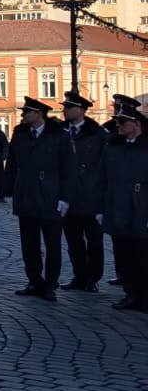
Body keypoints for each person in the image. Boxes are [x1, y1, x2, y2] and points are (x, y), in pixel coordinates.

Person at [5, 96, 71, 301]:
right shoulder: (21, 133)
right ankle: (34, 280)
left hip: (50, 194)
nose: (24, 115)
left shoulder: (58, 134)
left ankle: (51, 283)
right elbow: (12, 164)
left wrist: (65, 197)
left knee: (52, 244)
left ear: (39, 114)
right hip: (26, 192)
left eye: (27, 112)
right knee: (29, 243)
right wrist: (8, 191)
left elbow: (69, 168)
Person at [100, 98, 148, 310]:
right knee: (123, 254)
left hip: (142, 206)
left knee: (143, 254)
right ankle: (130, 293)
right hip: (118, 205)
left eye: (122, 123)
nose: (118, 126)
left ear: (136, 124)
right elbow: (103, 177)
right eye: (117, 122)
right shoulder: (114, 146)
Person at [59, 90, 107, 292]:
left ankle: (92, 278)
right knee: (73, 240)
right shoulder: (61, 132)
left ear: (81, 110)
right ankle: (79, 275)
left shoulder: (97, 134)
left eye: (69, 108)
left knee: (94, 241)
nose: (65, 111)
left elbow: (104, 166)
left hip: (92, 195)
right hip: (68, 196)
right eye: (65, 107)